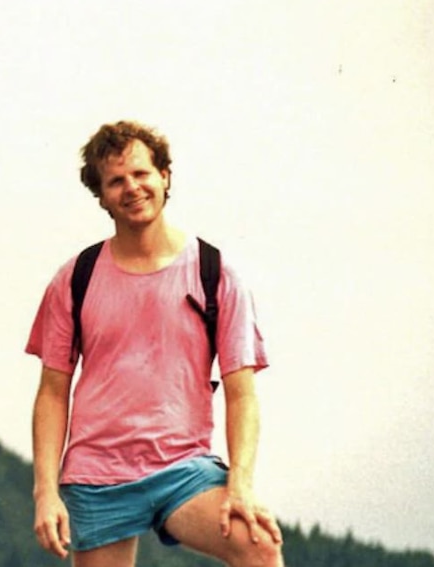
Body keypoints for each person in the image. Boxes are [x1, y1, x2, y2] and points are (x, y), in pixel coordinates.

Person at [25, 120, 284, 567]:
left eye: (142, 174)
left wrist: (240, 482)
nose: (132, 188)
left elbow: (242, 394)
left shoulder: (214, 273)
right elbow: (52, 392)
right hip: (97, 476)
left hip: (182, 469)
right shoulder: (75, 279)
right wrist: (46, 492)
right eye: (116, 181)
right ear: (102, 196)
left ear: (165, 176)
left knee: (257, 544)